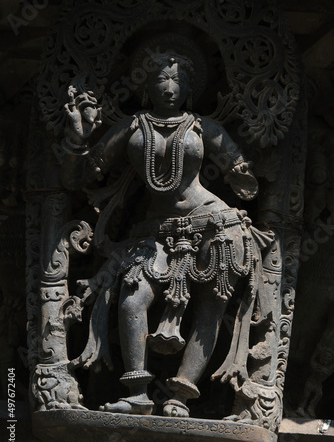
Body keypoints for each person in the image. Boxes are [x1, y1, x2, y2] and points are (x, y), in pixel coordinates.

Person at [62, 42, 272, 418]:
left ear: (190, 88)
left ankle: (180, 395)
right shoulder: (130, 128)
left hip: (214, 225)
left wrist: (243, 170)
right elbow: (82, 176)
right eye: (160, 77)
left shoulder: (204, 127)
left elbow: (246, 182)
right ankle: (138, 392)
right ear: (146, 85)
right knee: (133, 299)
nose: (168, 85)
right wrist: (79, 136)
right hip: (156, 234)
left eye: (177, 79)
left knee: (212, 306)